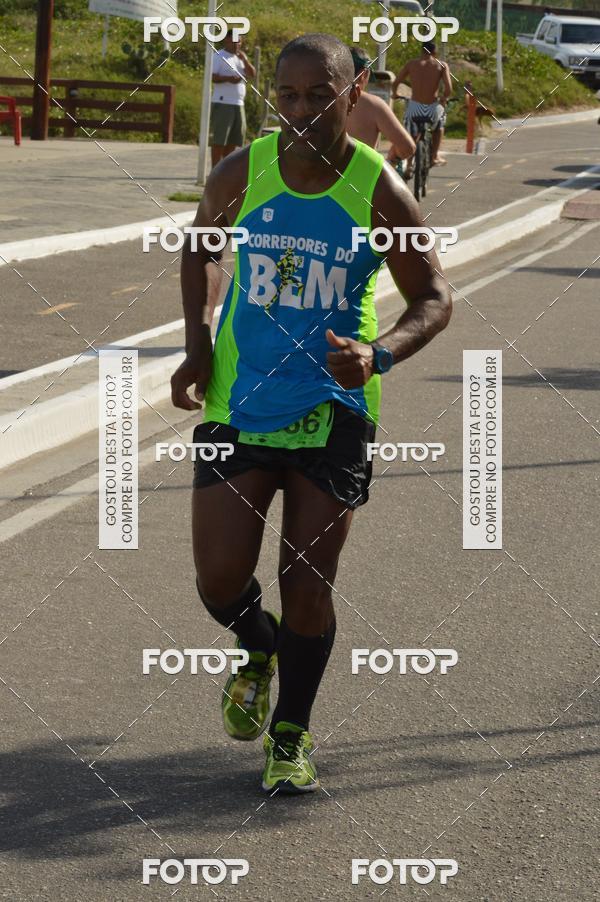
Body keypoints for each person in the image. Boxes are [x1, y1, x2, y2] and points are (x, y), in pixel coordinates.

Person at [171, 33, 451, 795]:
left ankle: (290, 736)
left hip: (336, 408)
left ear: (353, 93)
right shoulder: (244, 170)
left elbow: (433, 298)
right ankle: (256, 648)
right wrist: (197, 346)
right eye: (286, 96)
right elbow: (197, 249)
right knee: (219, 581)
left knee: (309, 585)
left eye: (317, 96)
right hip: (241, 401)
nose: (299, 112)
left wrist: (380, 353)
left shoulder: (378, 189)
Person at [347, 47, 415, 165]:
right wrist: (393, 159)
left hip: (322, 180)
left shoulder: (321, 100)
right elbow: (407, 147)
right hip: (360, 179)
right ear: (364, 74)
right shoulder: (374, 105)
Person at [392, 40, 452, 166]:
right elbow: (448, 89)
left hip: (415, 107)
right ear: (434, 52)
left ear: (421, 50)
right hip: (432, 108)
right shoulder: (441, 65)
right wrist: (443, 98)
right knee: (439, 125)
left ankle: (408, 165)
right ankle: (434, 156)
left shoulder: (411, 64)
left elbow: (396, 82)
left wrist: (395, 94)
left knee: (410, 133)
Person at [210, 29, 256, 166]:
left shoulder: (241, 58)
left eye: (239, 41)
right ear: (226, 40)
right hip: (223, 102)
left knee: (235, 139)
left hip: (238, 103)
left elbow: (252, 74)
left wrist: (245, 60)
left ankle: (225, 168)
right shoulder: (219, 56)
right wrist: (229, 79)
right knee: (220, 139)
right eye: (234, 41)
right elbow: (212, 76)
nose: (237, 44)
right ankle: (215, 170)